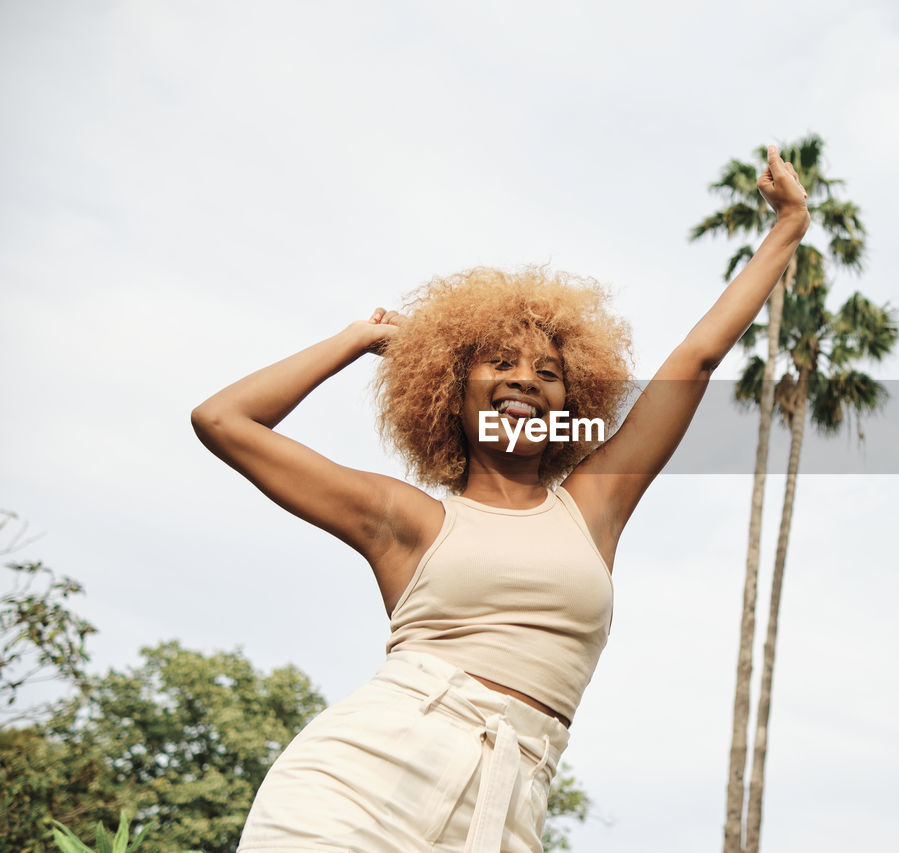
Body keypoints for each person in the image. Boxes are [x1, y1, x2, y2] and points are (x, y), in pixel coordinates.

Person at [191, 145, 810, 853]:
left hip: (514, 797)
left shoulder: (593, 506)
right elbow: (223, 420)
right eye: (500, 362)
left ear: (570, 403)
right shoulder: (408, 520)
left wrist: (787, 226)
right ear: (450, 394)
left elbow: (694, 360)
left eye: (548, 371)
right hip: (365, 779)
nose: (525, 380)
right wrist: (356, 337)